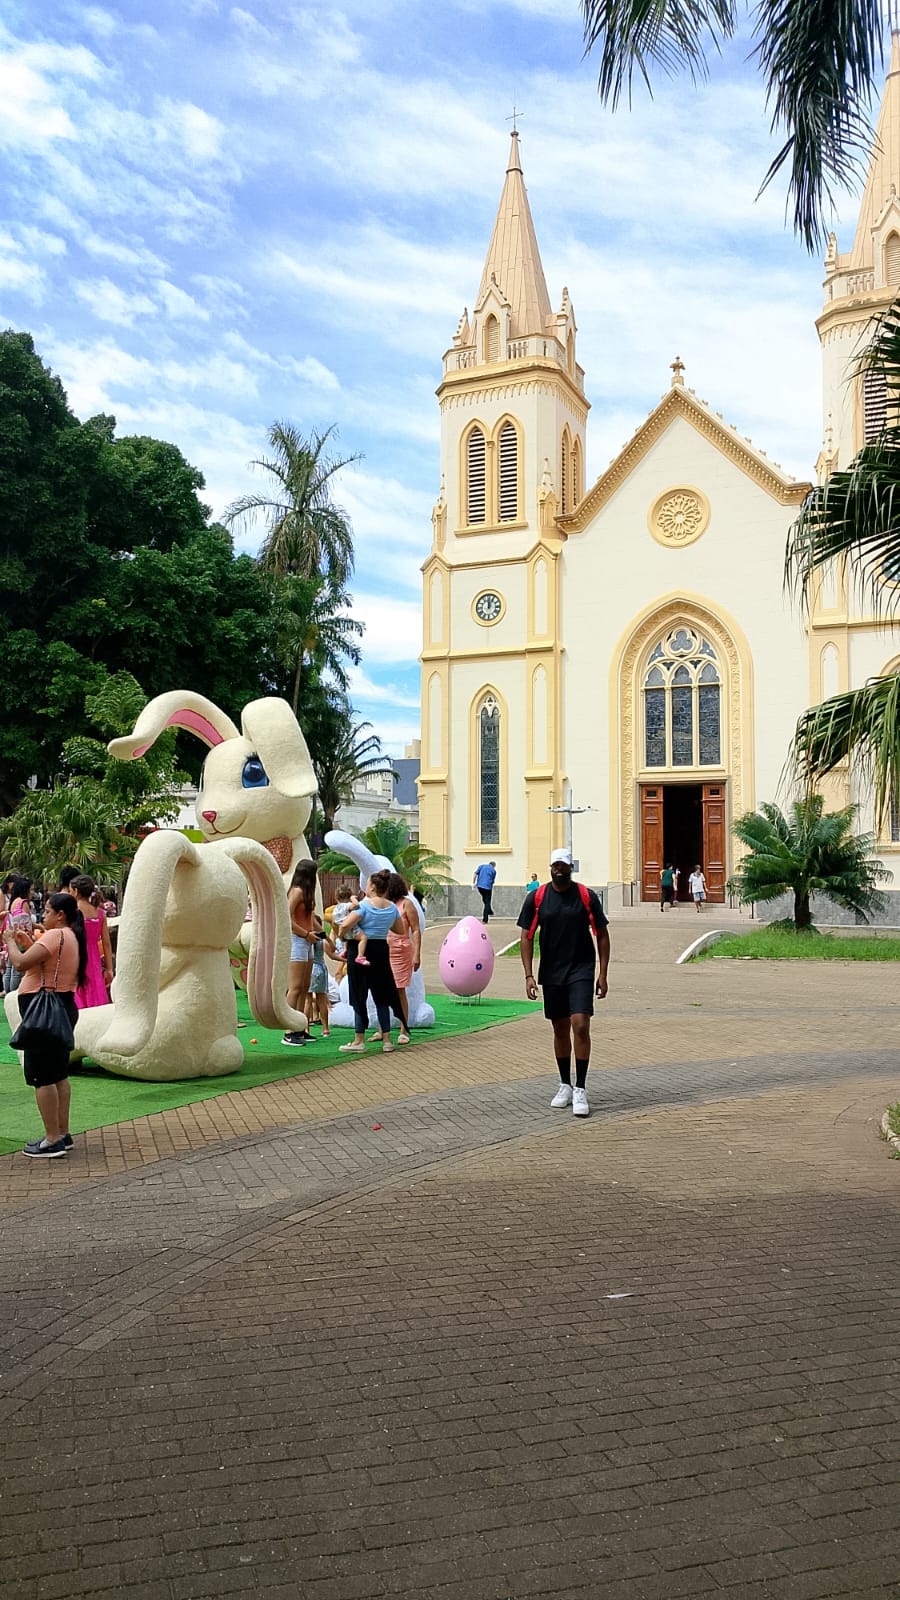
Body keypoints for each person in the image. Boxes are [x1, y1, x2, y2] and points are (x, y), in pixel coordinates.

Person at [517, 847, 610, 1119]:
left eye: (563, 865)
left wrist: (603, 974)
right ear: (550, 868)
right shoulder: (537, 898)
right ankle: (565, 1085)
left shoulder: (585, 896)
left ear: (571, 868)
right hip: (552, 971)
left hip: (581, 969)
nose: (559, 869)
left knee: (580, 1024)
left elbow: (602, 934)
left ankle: (580, 1087)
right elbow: (526, 936)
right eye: (555, 865)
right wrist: (528, 975)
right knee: (559, 1029)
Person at [2, 892, 88, 1158]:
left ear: (60, 915)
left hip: (44, 1013)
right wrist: (28, 942)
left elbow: (20, 963)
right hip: (62, 1006)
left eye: (48, 911)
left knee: (42, 1076)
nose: (44, 915)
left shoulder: (55, 935)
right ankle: (62, 1133)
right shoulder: (71, 936)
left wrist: (9, 942)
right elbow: (45, 963)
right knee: (58, 1073)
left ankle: (52, 1139)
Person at [337, 870, 406, 1054]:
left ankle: (359, 1040)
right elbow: (400, 930)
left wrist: (342, 935)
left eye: (367, 884)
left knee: (359, 995)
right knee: (382, 996)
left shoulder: (363, 906)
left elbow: (345, 924)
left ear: (373, 887)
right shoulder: (392, 908)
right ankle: (387, 1040)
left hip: (360, 952)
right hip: (381, 950)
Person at [283, 859, 319, 1046]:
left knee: (305, 986)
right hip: (298, 940)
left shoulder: (308, 893)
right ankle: (288, 1031)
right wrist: (305, 933)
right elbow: (287, 919)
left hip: (308, 940)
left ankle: (299, 1027)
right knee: (295, 987)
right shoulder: (296, 892)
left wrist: (318, 934)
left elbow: (310, 918)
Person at [384, 872, 420, 1046]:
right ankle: (382, 1029)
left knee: (399, 990)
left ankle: (404, 1029)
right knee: (383, 990)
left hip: (401, 951)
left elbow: (415, 929)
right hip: (384, 950)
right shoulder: (384, 904)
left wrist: (417, 954)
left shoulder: (407, 904)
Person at [70, 874, 114, 1009]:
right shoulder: (100, 913)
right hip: (94, 958)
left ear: (76, 891)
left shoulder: (71, 912)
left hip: (75, 956)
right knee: (95, 988)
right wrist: (109, 969)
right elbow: (106, 943)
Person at [3, 876, 35, 993]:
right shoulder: (23, 902)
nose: (32, 892)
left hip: (12, 936)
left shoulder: (14, 902)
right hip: (21, 938)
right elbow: (26, 922)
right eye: (31, 889)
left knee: (10, 967)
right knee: (17, 970)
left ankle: (7, 991)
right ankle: (14, 992)